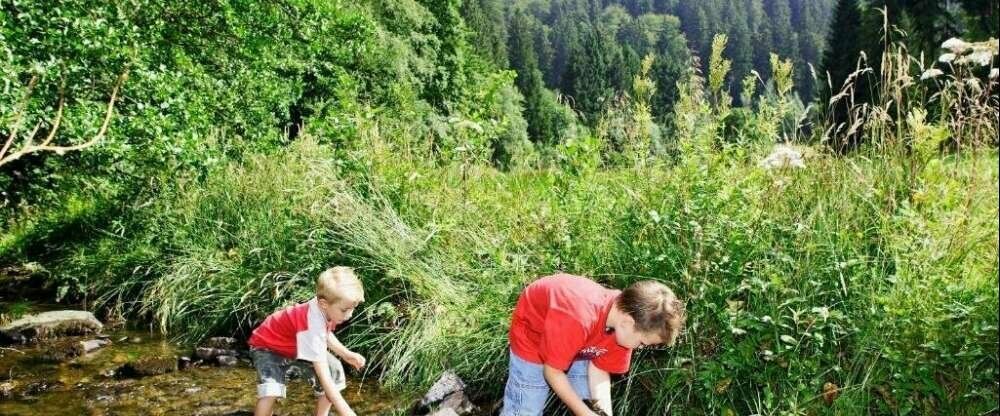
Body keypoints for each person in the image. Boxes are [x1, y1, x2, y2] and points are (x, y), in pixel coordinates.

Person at [501, 273, 686, 416]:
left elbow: (599, 369)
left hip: (580, 342)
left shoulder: (623, 326)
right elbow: (552, 373)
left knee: (588, 398)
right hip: (534, 338)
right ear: (628, 323)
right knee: (527, 407)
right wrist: (584, 412)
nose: (640, 347)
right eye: (642, 343)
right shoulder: (579, 317)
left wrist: (602, 412)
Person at [248, 266, 367, 416]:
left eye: (352, 309)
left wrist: (346, 354)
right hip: (267, 346)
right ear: (324, 304)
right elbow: (323, 375)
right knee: (272, 386)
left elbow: (324, 334)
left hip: (295, 346)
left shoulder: (327, 308)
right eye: (344, 310)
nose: (349, 315)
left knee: (334, 370)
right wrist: (346, 411)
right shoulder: (313, 320)